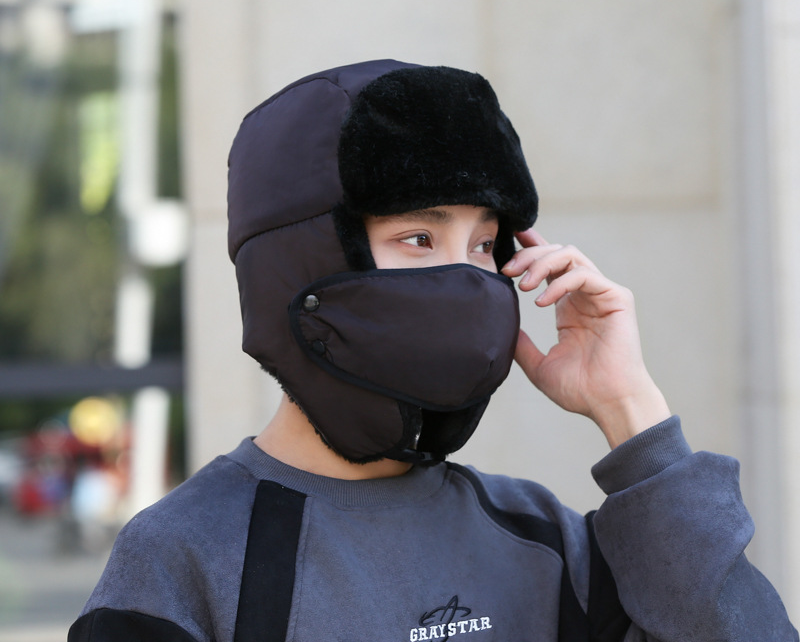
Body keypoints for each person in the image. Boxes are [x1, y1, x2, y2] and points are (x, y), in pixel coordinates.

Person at [69, 60, 797, 641]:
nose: (466, 279)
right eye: (419, 239)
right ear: (307, 263)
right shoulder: (186, 558)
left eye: (485, 245)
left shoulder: (542, 542)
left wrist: (632, 413)